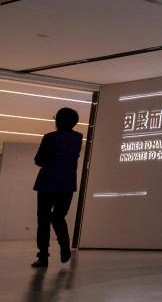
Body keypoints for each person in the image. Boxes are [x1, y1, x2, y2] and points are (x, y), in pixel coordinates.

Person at [31, 107, 83, 268]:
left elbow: (39, 160)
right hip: (67, 184)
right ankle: (65, 247)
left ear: (58, 120)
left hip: (47, 183)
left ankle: (43, 256)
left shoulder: (50, 138)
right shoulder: (78, 138)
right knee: (59, 217)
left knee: (44, 219)